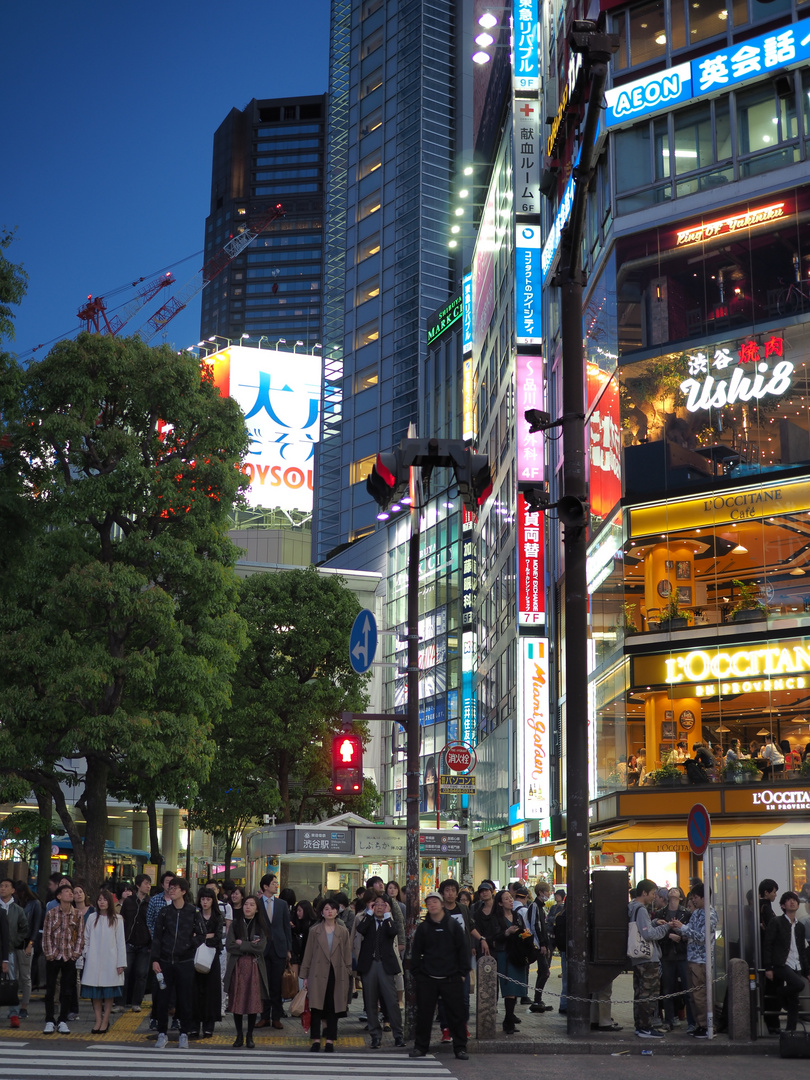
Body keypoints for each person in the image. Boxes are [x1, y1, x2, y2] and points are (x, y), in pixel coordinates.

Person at [409, 891, 470, 1060]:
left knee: (456, 1015)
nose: (432, 905)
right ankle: (421, 1047)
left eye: (435, 901)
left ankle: (460, 1048)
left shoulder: (453, 925)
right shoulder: (423, 928)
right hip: (428, 978)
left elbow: (462, 950)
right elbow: (416, 953)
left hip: (451, 978)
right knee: (424, 1015)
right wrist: (418, 974)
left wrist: (462, 973)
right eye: (429, 903)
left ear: (442, 904)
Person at [150, 877, 204, 1050]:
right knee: (162, 998)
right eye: (170, 887)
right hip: (165, 960)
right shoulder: (165, 912)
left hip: (185, 962)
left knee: (185, 998)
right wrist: (155, 960)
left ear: (183, 891)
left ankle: (184, 1033)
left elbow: (202, 934)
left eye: (175, 888)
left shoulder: (193, 912)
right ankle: (161, 1033)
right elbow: (157, 937)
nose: (171, 890)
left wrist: (190, 945)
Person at [299, 897, 353, 1052]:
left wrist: (349, 971)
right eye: (326, 909)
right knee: (316, 1007)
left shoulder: (343, 931)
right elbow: (307, 953)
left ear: (337, 911)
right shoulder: (314, 931)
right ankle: (316, 1040)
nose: (329, 911)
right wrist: (305, 976)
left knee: (333, 1007)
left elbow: (347, 953)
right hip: (317, 973)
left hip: (336, 973)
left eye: (332, 909)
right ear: (321, 912)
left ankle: (330, 1040)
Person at [356, 893, 405, 1048]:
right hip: (369, 965)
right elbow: (360, 929)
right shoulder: (368, 921)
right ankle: (375, 1036)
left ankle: (398, 1035)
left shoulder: (390, 922)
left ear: (388, 907)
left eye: (383, 904)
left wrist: (388, 914)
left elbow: (392, 933)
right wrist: (369, 913)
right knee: (370, 1002)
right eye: (376, 904)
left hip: (385, 966)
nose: (379, 907)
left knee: (392, 1002)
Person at [670, 882, 718, 1039]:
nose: (693, 901)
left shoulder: (710, 914)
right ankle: (698, 1024)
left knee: (700, 995)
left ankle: (706, 1026)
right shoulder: (697, 913)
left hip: (702, 961)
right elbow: (690, 931)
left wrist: (683, 929)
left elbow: (702, 937)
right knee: (693, 995)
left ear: (704, 897)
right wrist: (676, 927)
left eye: (696, 897)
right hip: (691, 959)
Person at [80, 888, 127, 1034]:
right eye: (99, 899)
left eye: (105, 899)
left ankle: (105, 1020)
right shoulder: (92, 918)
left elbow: (121, 942)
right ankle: (98, 1020)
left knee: (108, 994)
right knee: (95, 995)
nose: (102, 902)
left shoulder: (117, 919)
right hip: (93, 961)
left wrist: (121, 962)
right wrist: (86, 953)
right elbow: (86, 938)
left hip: (110, 961)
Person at [628, 878, 670, 1039]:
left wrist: (652, 922)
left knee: (639, 993)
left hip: (637, 958)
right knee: (649, 994)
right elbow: (648, 934)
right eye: (652, 893)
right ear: (644, 893)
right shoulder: (641, 909)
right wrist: (665, 927)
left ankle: (640, 1026)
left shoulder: (631, 907)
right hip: (647, 958)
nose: (654, 897)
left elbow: (641, 927)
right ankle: (646, 1027)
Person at [763, 890, 809, 1033]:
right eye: (788, 900)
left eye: (794, 900)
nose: (792, 902)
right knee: (799, 984)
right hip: (781, 964)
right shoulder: (776, 922)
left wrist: (807, 971)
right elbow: (768, 944)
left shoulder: (800, 926)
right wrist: (768, 967)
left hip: (796, 964)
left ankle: (791, 1031)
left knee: (793, 1001)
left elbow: (802, 950)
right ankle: (780, 992)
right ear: (783, 905)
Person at [225, 895, 268, 1048]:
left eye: (251, 905)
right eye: (246, 904)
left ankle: (250, 1035)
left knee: (253, 1002)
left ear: (257, 909)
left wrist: (242, 943)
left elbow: (261, 947)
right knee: (237, 1002)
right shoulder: (236, 923)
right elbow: (229, 945)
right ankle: (239, 1035)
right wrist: (250, 945)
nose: (248, 907)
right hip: (237, 966)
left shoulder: (260, 925)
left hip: (254, 966)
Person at [42, 883, 85, 1034]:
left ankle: (62, 1020)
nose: (70, 894)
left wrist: (76, 953)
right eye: (66, 892)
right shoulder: (51, 913)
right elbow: (46, 934)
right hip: (54, 955)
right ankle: (49, 1019)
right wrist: (49, 954)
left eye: (70, 892)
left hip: (69, 956)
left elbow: (80, 935)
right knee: (51, 989)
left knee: (68, 990)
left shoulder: (77, 914)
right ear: (59, 896)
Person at [255, 873, 291, 1030]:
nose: (276, 885)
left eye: (276, 883)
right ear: (265, 886)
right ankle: (264, 1016)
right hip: (262, 948)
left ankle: (276, 1016)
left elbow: (286, 927)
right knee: (263, 984)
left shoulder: (282, 904)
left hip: (279, 948)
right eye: (274, 883)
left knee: (276, 984)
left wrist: (288, 949)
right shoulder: (256, 903)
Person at [492, 888, 530, 1033]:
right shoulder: (496, 918)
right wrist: (507, 932)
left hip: (517, 954)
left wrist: (526, 935)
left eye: (510, 898)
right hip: (505, 955)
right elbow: (494, 937)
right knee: (509, 989)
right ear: (500, 903)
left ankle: (509, 1019)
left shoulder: (517, 915)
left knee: (516, 989)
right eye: (506, 898)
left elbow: (523, 931)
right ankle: (508, 1022)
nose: (510, 901)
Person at [660, 887, 694, 1032]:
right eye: (671, 890)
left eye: (676, 890)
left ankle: (691, 1022)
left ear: (681, 897)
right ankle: (669, 1020)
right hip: (667, 955)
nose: (673, 891)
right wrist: (669, 936)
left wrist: (680, 937)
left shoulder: (686, 913)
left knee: (688, 989)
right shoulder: (661, 913)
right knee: (667, 988)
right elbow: (657, 933)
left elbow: (690, 932)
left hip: (682, 954)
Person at [191, 886, 224, 1038]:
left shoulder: (218, 916)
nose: (205, 902)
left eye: (208, 899)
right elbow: (192, 937)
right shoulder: (195, 915)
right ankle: (194, 1024)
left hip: (212, 957)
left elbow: (218, 938)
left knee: (212, 991)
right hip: (197, 956)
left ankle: (208, 1025)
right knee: (196, 991)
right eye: (203, 899)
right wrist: (206, 936)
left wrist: (201, 936)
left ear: (213, 900)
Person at [120, 873, 151, 1013]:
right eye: (146, 883)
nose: (148, 886)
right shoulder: (129, 901)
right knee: (124, 972)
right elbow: (123, 919)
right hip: (129, 942)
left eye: (149, 884)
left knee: (141, 973)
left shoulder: (151, 902)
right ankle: (120, 1002)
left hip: (145, 944)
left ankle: (136, 1002)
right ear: (138, 885)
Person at [0, 877, 29, 1029]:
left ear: (12, 890)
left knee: (11, 982)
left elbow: (24, 928)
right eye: (1, 886)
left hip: (9, 950)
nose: (3, 888)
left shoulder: (17, 910)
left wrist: (16, 941)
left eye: (6, 886)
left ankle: (14, 1013)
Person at [13, 881, 40, 1021]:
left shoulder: (34, 903)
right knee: (14, 976)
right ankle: (14, 1006)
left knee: (25, 976)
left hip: (26, 943)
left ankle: (24, 1006)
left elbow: (35, 926)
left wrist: (31, 943)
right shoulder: (13, 904)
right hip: (14, 943)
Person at [526, 881, 553, 1013]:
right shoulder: (535, 906)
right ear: (541, 892)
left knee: (543, 971)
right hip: (537, 945)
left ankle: (538, 999)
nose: (549, 894)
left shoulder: (540, 907)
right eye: (547, 891)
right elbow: (534, 926)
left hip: (541, 944)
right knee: (545, 971)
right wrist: (541, 944)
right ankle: (537, 1000)